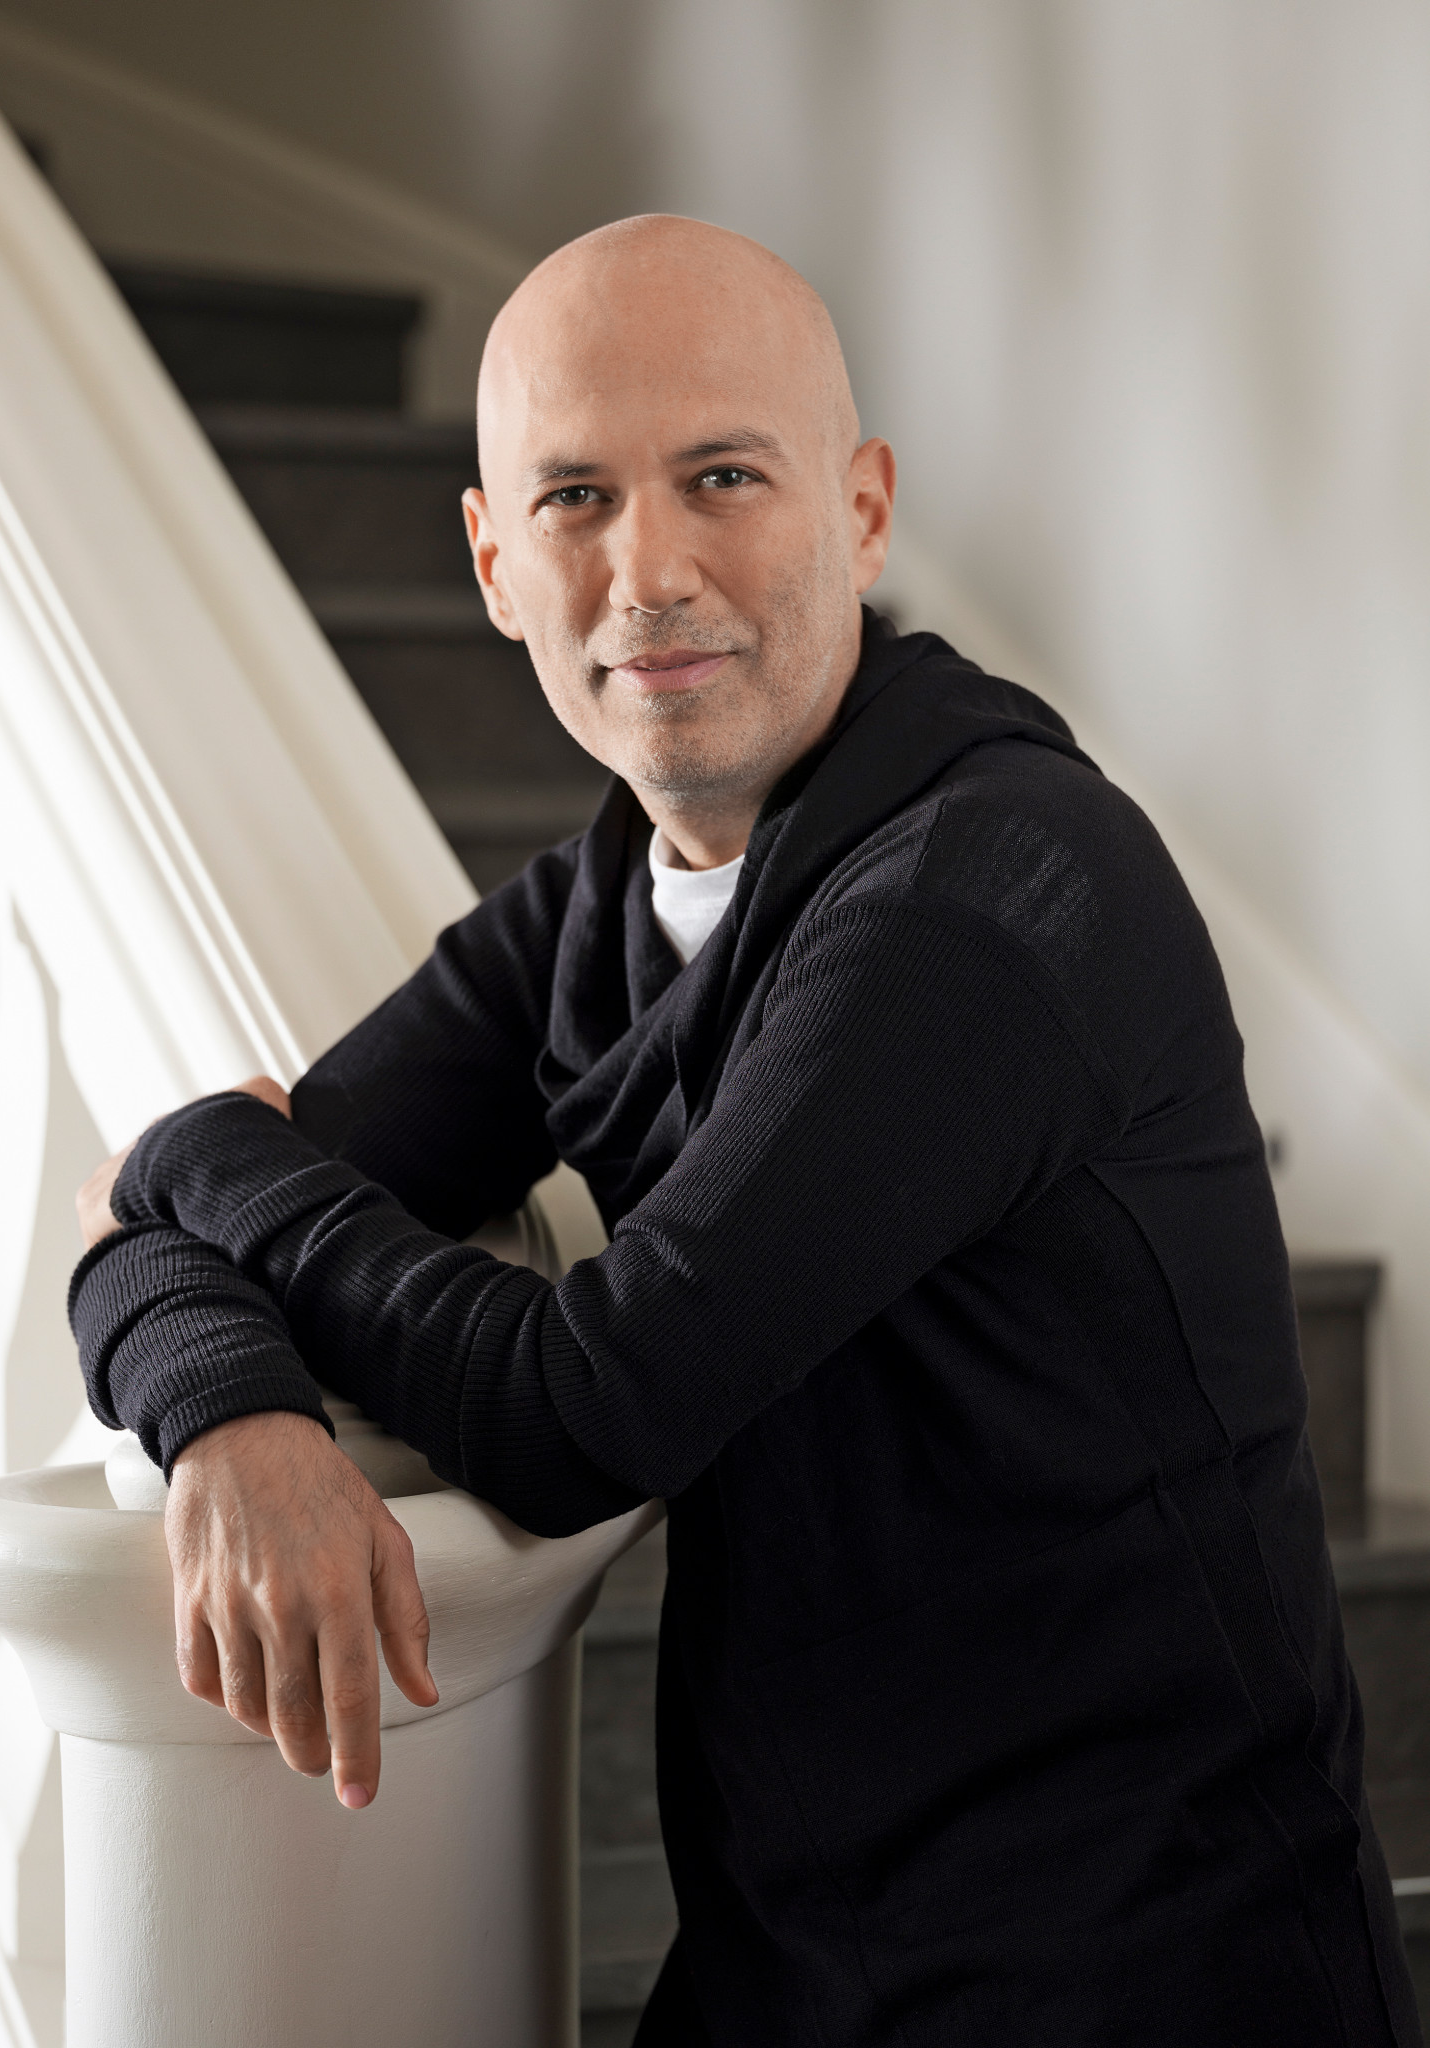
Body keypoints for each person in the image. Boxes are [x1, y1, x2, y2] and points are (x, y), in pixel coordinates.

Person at [70, 215, 1418, 2047]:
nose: (650, 572)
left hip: (1140, 1968)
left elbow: (578, 1408)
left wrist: (192, 1154)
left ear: (860, 513)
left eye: (723, 476)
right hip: (796, 1956)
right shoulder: (600, 906)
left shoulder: (992, 889)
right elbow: (161, 1233)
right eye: (574, 499)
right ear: (492, 563)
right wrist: (228, 1403)